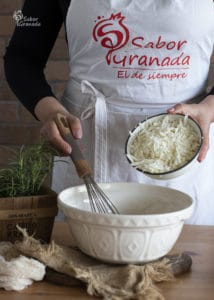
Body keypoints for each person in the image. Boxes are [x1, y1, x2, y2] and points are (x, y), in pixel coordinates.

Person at [4, 0, 214, 224]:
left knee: (189, 252)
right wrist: (49, 110)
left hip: (185, 154)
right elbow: (22, 57)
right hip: (86, 146)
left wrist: (209, 108)